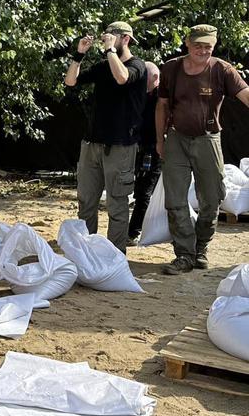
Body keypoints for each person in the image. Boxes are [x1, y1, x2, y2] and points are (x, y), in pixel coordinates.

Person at [156, 24, 249, 274]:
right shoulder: (171, 68)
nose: (203, 50)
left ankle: (201, 248)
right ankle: (184, 254)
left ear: (214, 45)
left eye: (208, 45)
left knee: (212, 198)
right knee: (174, 200)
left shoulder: (222, 70)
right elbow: (162, 106)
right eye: (198, 44)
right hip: (176, 138)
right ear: (187, 43)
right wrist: (160, 140)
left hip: (208, 139)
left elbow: (245, 94)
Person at [65, 22, 147, 252]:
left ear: (126, 39)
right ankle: (87, 251)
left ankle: (115, 254)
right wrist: (79, 54)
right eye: (106, 37)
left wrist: (111, 51)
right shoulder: (103, 67)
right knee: (86, 201)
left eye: (113, 37)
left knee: (117, 203)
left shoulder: (138, 66)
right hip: (92, 143)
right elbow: (71, 81)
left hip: (121, 145)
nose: (107, 41)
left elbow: (122, 78)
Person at [127, 61, 161, 245]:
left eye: (143, 78)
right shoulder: (140, 95)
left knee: (144, 192)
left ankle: (133, 232)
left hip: (155, 149)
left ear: (155, 78)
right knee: (139, 189)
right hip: (138, 147)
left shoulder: (162, 98)